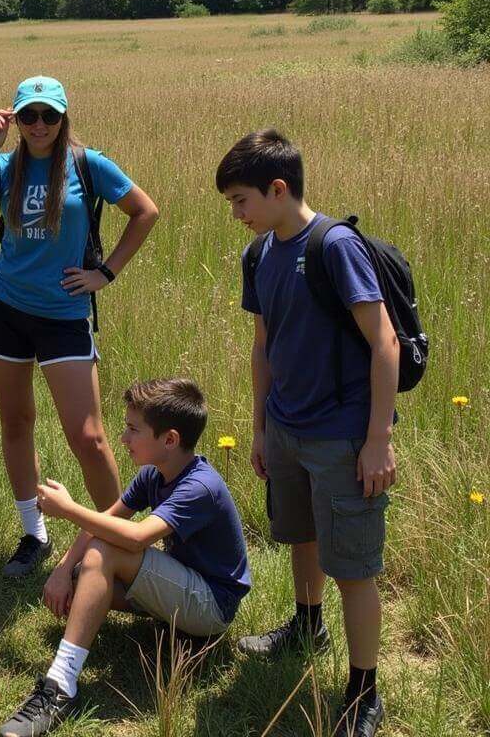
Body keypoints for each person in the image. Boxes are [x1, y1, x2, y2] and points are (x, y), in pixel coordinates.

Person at [216, 130, 398, 737]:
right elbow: (264, 343)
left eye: (241, 201)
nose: (237, 215)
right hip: (287, 428)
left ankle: (363, 690)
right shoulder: (260, 254)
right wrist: (261, 427)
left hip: (342, 435)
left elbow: (384, 342)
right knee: (299, 533)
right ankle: (306, 623)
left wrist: (377, 439)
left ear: (278, 189)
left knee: (354, 567)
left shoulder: (333, 246)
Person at [0, 76, 158, 578]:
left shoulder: (89, 164)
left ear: (64, 118)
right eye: (29, 116)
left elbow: (145, 212)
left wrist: (106, 273)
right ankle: (33, 532)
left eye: (49, 115)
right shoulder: (4, 165)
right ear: (15, 119)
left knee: (89, 437)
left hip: (63, 315)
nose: (39, 125)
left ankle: (117, 542)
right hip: (5, 309)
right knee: (16, 423)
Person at [0, 378, 251, 737]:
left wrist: (68, 510)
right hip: (181, 588)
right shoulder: (154, 474)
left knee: (105, 552)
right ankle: (83, 643)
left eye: (133, 429)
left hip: (211, 608)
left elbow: (135, 538)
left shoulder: (200, 487)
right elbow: (109, 518)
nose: (123, 438)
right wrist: (62, 569)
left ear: (170, 439)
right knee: (82, 573)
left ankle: (60, 685)